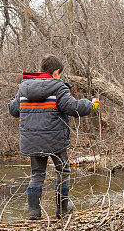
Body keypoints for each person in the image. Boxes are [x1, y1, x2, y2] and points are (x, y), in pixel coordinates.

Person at [8, 55, 100, 219]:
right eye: (60, 74)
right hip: (56, 140)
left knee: (37, 175)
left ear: (40, 71)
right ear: (56, 72)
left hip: (32, 141)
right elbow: (74, 108)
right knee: (63, 172)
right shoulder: (59, 87)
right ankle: (62, 211)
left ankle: (34, 214)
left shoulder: (24, 87)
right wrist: (91, 105)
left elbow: (14, 110)